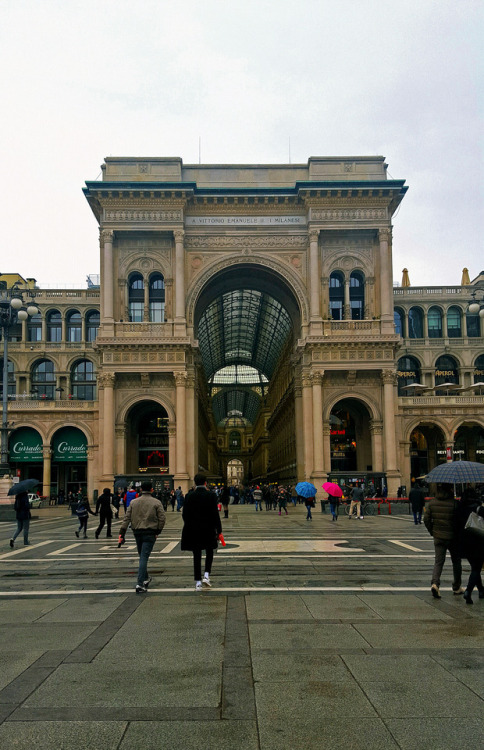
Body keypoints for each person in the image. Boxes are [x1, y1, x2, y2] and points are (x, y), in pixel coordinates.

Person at [119, 479, 165, 593]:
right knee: (144, 557)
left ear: (140, 489)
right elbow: (162, 519)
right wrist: (157, 531)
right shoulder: (156, 502)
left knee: (142, 556)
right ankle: (140, 584)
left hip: (137, 533)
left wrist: (122, 533)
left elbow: (126, 518)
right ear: (152, 490)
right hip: (150, 533)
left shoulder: (133, 502)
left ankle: (145, 578)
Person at [181, 473, 222, 591]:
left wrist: (189, 525)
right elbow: (215, 514)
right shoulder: (211, 495)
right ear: (205, 483)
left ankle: (198, 581)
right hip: (208, 529)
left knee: (197, 554)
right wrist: (219, 531)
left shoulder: (189, 496)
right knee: (210, 551)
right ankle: (206, 575)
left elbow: (185, 514)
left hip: (193, 529)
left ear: (195, 483)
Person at [424, 483, 463, 599]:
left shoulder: (432, 503)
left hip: (438, 537)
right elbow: (459, 521)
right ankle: (456, 587)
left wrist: (433, 531)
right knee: (456, 562)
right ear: (450, 490)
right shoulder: (455, 503)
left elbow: (426, 519)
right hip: (452, 538)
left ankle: (435, 584)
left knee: (438, 562)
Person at [456, 488, 484, 604]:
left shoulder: (459, 508)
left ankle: (482, 590)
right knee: (476, 569)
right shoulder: (479, 508)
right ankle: (468, 591)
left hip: (464, 543)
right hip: (478, 542)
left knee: (474, 567)